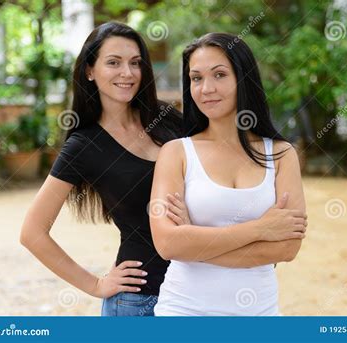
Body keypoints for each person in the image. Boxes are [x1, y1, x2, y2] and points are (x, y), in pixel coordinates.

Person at [19, 22, 182, 316]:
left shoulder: (168, 119)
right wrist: (95, 284)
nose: (128, 73)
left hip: (195, 292)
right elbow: (32, 232)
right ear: (89, 71)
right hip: (139, 302)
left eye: (135, 63)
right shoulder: (84, 145)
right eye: (113, 63)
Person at [150, 33, 307, 316]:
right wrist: (260, 230)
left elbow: (287, 248)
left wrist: (195, 243)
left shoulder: (282, 155)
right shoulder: (176, 153)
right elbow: (167, 243)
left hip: (260, 314)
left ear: (243, 78)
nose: (206, 88)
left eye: (219, 74)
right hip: (183, 312)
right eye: (196, 78)